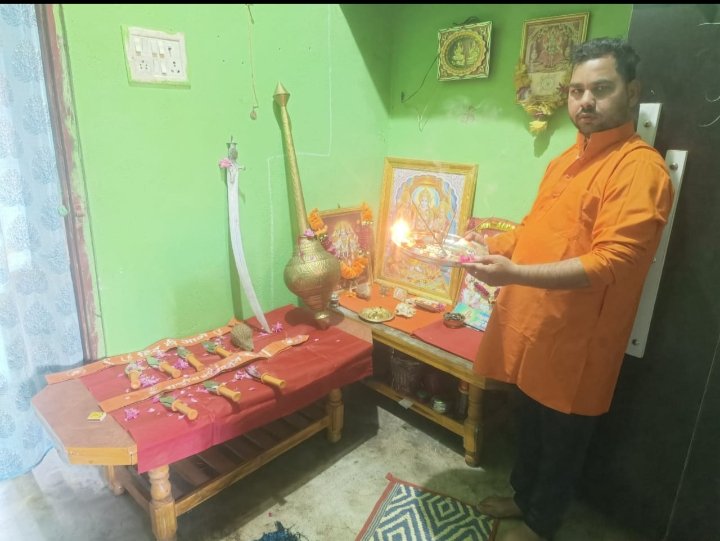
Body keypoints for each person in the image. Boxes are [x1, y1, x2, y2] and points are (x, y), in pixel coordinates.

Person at [461, 37, 674, 541]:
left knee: (562, 445)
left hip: (578, 345)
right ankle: (521, 499)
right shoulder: (564, 160)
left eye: (601, 88)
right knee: (530, 429)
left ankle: (540, 525)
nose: (585, 101)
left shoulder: (639, 168)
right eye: (576, 91)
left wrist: (513, 274)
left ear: (632, 92)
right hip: (536, 330)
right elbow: (535, 230)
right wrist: (487, 244)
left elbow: (611, 262)